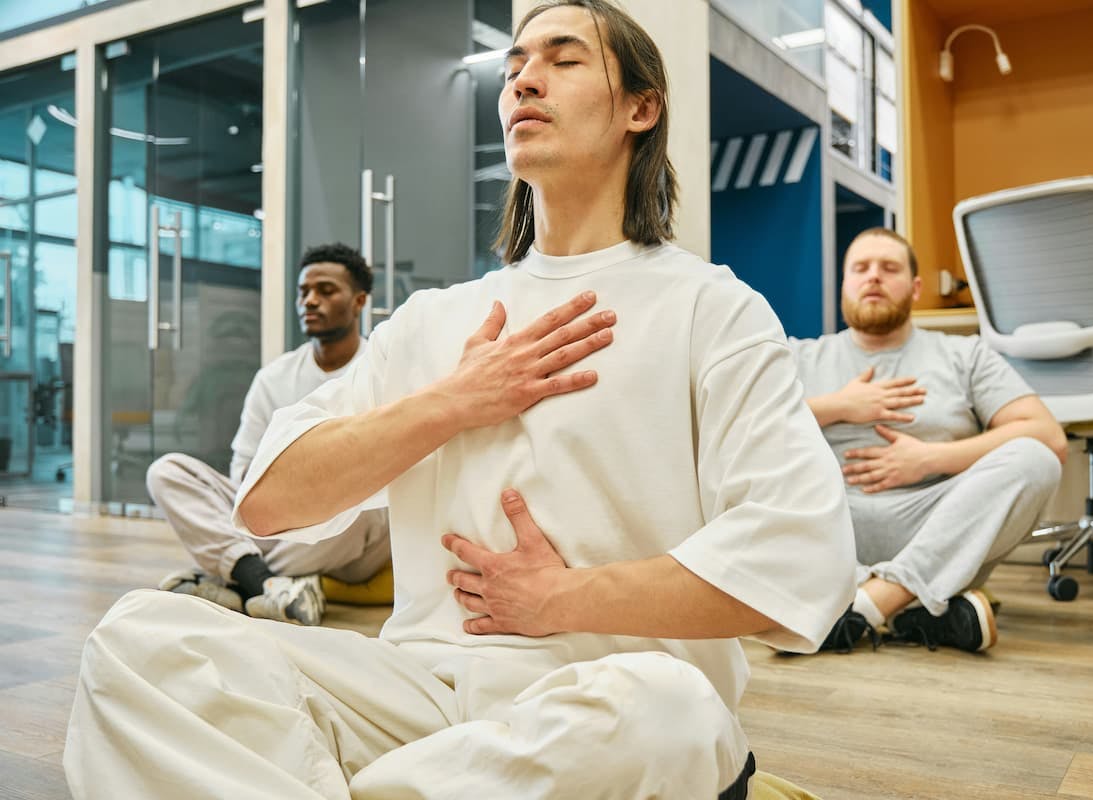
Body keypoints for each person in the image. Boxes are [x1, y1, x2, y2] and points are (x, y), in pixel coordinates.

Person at [64, 3, 855, 797]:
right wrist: (453, 401)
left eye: (563, 58)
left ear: (640, 108)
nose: (523, 80)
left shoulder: (712, 309)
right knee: (142, 641)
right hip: (419, 696)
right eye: (513, 68)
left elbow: (801, 558)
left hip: (604, 698)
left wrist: (559, 599)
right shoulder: (433, 323)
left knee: (669, 709)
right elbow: (267, 504)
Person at [790, 227, 1067, 654]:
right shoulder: (801, 357)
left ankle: (867, 604)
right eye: (860, 268)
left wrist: (931, 458)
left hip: (937, 528)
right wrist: (838, 406)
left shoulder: (964, 355)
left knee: (1037, 459)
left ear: (916, 288)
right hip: (834, 524)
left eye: (889, 268)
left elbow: (1047, 433)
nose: (874, 278)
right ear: (844, 284)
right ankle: (915, 611)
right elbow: (745, 429)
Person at [147, 242, 390, 626]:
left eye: (325, 291)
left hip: (351, 533)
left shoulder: (383, 369)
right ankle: (268, 588)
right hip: (277, 515)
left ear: (359, 301)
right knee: (167, 471)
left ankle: (235, 578)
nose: (310, 301)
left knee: (361, 507)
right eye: (304, 292)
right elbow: (243, 472)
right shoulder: (273, 377)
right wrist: (282, 497)